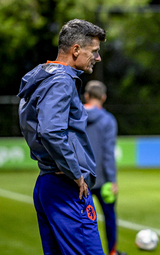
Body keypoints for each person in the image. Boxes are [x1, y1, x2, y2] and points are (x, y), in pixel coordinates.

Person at [18, 19, 106, 254]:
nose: (97, 58)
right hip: (66, 186)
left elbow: (32, 125)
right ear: (76, 49)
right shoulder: (62, 81)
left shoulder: (41, 76)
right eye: (94, 51)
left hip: (47, 182)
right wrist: (75, 173)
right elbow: (50, 131)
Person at [83, 80, 125, 255]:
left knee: (80, 221)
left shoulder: (74, 116)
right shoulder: (108, 120)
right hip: (102, 179)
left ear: (86, 96)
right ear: (104, 97)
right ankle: (112, 252)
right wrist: (112, 179)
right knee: (109, 218)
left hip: (79, 179)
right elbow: (108, 153)